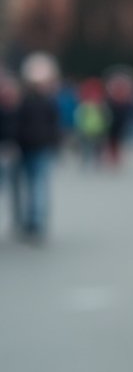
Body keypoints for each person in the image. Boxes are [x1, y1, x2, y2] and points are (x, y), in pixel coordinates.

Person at [12, 52, 61, 241]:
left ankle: (31, 220)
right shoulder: (48, 102)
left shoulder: (23, 101)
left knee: (31, 184)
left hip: (27, 146)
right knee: (38, 184)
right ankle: (37, 220)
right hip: (39, 145)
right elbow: (54, 125)